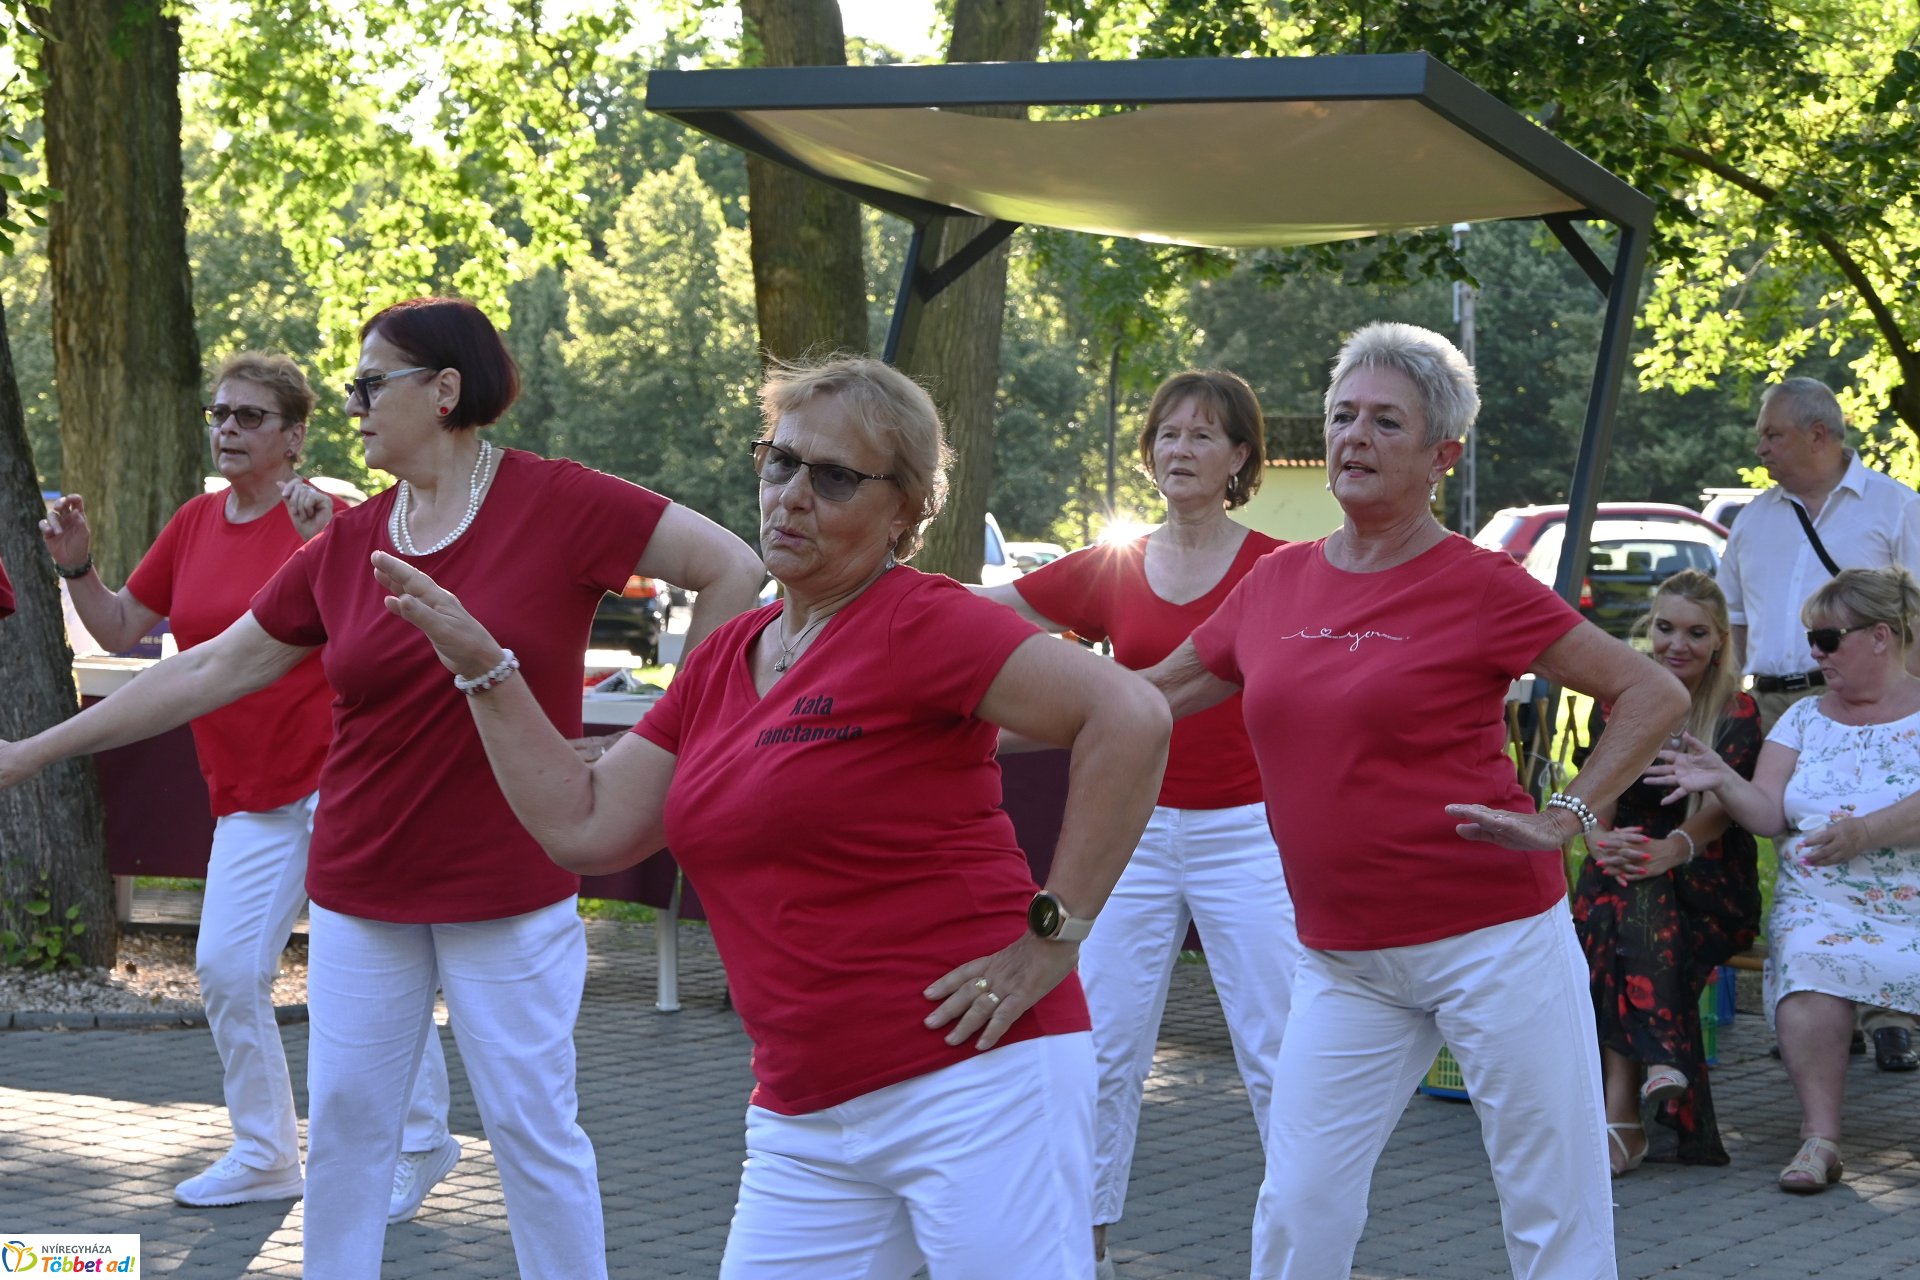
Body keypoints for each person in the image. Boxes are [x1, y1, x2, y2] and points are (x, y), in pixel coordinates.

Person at [0, 297, 765, 1278]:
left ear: (445, 391)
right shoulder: (352, 544)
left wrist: (657, 749)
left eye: (371, 384)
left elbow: (732, 568)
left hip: (509, 883)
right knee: (353, 1133)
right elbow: (202, 669)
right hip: (362, 884)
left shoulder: (556, 499)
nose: (353, 403)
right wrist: (30, 752)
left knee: (533, 1132)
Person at [373, 354, 1172, 1278]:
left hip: (979, 1080)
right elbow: (587, 824)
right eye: (781, 461)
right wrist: (483, 666)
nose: (793, 495)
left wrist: (1052, 937)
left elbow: (1131, 713)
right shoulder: (728, 657)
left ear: (905, 509)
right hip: (805, 1111)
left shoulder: (923, 621)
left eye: (835, 478)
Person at [1146, 322, 1688, 1280]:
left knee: (1552, 1204)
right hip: (1343, 960)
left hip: (1494, 944)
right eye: (1343, 416)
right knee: (1298, 1205)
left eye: (1385, 422)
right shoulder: (1276, 583)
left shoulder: (1480, 585)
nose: (1355, 437)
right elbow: (1146, 698)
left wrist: (1568, 814)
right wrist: (982, 700)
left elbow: (1652, 693)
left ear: (1443, 454)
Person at [40, 353, 456, 1214]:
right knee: (227, 970)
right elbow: (123, 629)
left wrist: (324, 539)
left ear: (295, 436)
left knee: (367, 969)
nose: (227, 429)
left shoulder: (331, 517)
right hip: (248, 794)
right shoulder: (195, 523)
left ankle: (421, 1144)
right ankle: (267, 1153)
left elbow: (392, 631)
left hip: (342, 784)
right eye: (219, 414)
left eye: (249, 417)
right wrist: (79, 568)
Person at [970, 368, 1297, 1277]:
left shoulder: (1277, 568)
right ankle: (1086, 1247)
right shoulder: (1114, 564)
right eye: (1167, 434)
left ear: (1239, 457)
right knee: (1101, 1047)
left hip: (1249, 837)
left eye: (1203, 435)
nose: (1180, 449)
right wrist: (872, 590)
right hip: (1133, 838)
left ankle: (1303, 1253)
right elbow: (987, 611)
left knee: (1279, 1050)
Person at [1650, 566, 1920, 1192]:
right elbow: (1770, 812)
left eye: (1827, 639)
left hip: (1910, 898)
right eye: (1811, 640)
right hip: (1822, 901)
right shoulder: (1802, 718)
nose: (1814, 654)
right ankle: (1820, 1140)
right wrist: (1721, 777)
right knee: (1805, 961)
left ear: (1880, 637)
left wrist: (1864, 832)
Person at [1719, 376, 1920, 1070]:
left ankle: (1893, 1009)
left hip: (1886, 703)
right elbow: (1732, 621)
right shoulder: (1753, 517)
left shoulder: (1896, 507)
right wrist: (1729, 704)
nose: (1761, 446)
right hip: (1781, 704)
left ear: (1819, 435)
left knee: (1891, 835)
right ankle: (1812, 996)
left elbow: (1916, 621)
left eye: (1772, 434)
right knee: (1800, 845)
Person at [1570, 570, 1762, 1173]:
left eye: (1696, 632)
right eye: (1665, 628)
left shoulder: (1737, 710)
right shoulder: (1623, 699)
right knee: (1616, 903)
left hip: (1708, 878)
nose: (1678, 644)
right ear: (1649, 629)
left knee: (1619, 907)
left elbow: (1722, 815)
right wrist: (1600, 840)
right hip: (1630, 869)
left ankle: (1622, 1118)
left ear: (1718, 643)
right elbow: (1598, 788)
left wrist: (1671, 847)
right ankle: (1651, 1075)